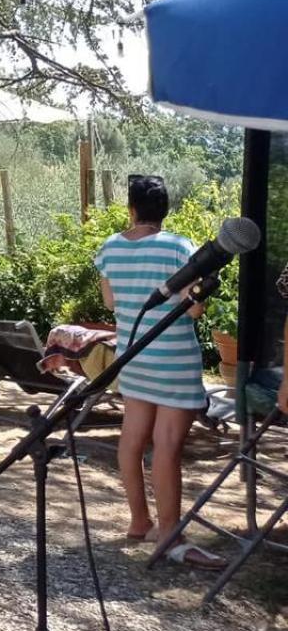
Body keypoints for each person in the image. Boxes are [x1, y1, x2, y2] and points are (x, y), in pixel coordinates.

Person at [96, 175, 224, 569]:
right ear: (164, 212)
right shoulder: (179, 247)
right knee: (166, 448)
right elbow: (195, 309)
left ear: (130, 209)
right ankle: (170, 533)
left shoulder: (110, 248)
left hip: (134, 356)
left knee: (131, 441)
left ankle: (139, 521)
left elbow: (110, 300)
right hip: (173, 363)